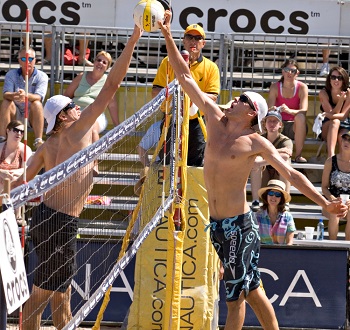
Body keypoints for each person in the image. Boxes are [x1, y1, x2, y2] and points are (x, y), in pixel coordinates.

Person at [158, 10, 347, 330]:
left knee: (247, 295)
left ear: (251, 114)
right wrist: (165, 32)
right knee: (239, 297)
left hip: (238, 228)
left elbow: (293, 175)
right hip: (216, 226)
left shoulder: (255, 141)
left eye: (242, 100)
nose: (234, 100)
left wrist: (324, 202)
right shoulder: (215, 119)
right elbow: (185, 76)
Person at [12, 25, 142, 330]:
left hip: (46, 217)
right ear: (64, 117)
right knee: (44, 293)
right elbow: (111, 86)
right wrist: (134, 39)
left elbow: (22, 181)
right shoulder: (77, 131)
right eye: (73, 106)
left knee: (62, 294)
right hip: (59, 222)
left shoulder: (47, 145)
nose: (79, 106)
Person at [152, 23, 220, 166]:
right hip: (171, 118)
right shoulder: (168, 61)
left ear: (203, 43)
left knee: (195, 165)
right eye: (189, 37)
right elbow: (156, 91)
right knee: (166, 164)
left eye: (197, 38)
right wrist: (175, 97)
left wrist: (190, 95)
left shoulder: (211, 67)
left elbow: (213, 97)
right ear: (183, 40)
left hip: (196, 121)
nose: (193, 41)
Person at [64, 51, 119, 143]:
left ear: (107, 67)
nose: (100, 63)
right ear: (94, 62)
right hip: (76, 112)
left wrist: (117, 125)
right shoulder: (81, 76)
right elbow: (66, 97)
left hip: (96, 115)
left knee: (91, 130)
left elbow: (112, 104)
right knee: (66, 128)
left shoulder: (108, 82)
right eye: (99, 60)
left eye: (104, 62)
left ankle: (94, 157)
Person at [0, 47, 48, 149]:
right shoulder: (11, 74)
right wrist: (16, 95)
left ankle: (38, 140)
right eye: (23, 59)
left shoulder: (42, 76)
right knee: (6, 102)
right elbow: (6, 94)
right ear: (19, 61)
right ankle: (3, 138)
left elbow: (39, 96)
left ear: (35, 60)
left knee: (37, 104)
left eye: (30, 59)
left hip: (31, 114)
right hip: (15, 111)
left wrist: (26, 96)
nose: (27, 62)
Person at [250, 111, 293, 211]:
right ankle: (255, 201)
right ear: (264, 124)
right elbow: (254, 154)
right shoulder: (260, 138)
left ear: (280, 125)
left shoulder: (285, 140)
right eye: (269, 121)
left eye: (275, 121)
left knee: (286, 162)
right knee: (256, 159)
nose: (272, 124)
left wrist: (263, 159)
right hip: (264, 174)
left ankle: (286, 202)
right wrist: (279, 151)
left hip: (279, 174)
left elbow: (286, 156)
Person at [267, 58, 309, 163]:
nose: (289, 73)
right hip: (279, 124)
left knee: (300, 117)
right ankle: (267, 153)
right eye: (286, 70)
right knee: (269, 119)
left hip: (294, 126)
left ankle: (298, 155)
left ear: (297, 73)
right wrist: (277, 109)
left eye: (293, 71)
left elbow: (304, 110)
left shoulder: (302, 87)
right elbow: (270, 109)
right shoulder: (275, 87)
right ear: (282, 71)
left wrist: (290, 111)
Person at [0, 120, 33, 224]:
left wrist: (14, 173)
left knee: (16, 181)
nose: (19, 133)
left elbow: (28, 168)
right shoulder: (1, 147)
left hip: (14, 184)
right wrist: (1, 172)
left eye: (22, 132)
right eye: (16, 130)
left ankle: (17, 216)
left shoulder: (24, 149)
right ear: (8, 131)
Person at [322, 130, 350, 240]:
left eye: (349, 140)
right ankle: (332, 248)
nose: (346, 142)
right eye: (344, 139)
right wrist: (332, 199)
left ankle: (348, 250)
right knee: (335, 210)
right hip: (331, 200)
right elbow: (324, 187)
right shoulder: (330, 161)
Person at [319, 66, 350, 157]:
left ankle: (344, 162)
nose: (336, 80)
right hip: (327, 125)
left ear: (344, 80)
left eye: (339, 78)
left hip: (344, 124)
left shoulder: (348, 93)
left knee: (344, 137)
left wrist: (327, 114)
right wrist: (340, 101)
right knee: (335, 122)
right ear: (329, 79)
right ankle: (331, 157)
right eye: (333, 77)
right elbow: (331, 115)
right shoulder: (324, 93)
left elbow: (344, 116)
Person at [256, 180, 295, 245]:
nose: (273, 197)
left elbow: (289, 242)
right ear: (266, 196)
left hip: (281, 252)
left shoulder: (288, 216)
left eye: (277, 194)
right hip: (262, 252)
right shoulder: (258, 215)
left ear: (281, 198)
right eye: (271, 193)